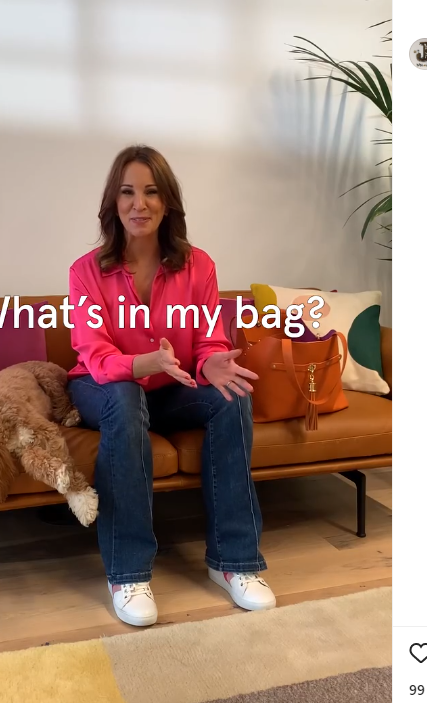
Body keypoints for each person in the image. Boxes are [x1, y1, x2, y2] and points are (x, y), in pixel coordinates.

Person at [67, 145, 273, 627]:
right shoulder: (86, 271)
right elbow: (95, 355)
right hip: (103, 390)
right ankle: (128, 573)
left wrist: (213, 361)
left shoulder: (198, 266)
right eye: (127, 192)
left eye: (151, 192)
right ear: (113, 203)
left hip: (169, 387)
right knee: (125, 396)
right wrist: (144, 363)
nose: (139, 204)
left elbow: (208, 340)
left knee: (231, 398)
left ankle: (234, 561)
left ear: (168, 203)